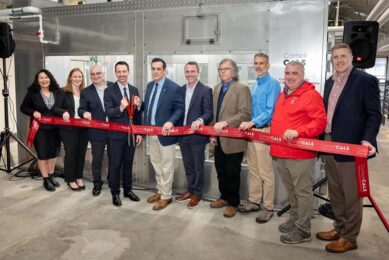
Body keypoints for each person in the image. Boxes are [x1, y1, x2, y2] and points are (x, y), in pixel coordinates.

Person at [316, 43, 381, 253]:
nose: (339, 60)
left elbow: (374, 115)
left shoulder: (365, 81)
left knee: (351, 195)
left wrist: (367, 140)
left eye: (343, 56)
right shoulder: (329, 82)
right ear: (331, 60)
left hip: (351, 147)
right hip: (329, 143)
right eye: (335, 57)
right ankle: (339, 228)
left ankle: (350, 237)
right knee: (335, 192)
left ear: (352, 58)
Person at [270, 61, 326, 244]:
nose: (290, 77)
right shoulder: (283, 93)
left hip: (299, 154)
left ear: (302, 75)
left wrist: (299, 132)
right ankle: (295, 219)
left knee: (302, 192)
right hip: (281, 152)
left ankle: (303, 230)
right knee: (292, 190)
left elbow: (319, 122)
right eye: (287, 73)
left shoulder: (311, 95)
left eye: (295, 73)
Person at [239, 53, 281, 223]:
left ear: (268, 65)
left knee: (265, 173)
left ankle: (268, 207)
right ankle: (254, 201)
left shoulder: (273, 84)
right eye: (256, 63)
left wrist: (252, 123)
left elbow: (270, 112)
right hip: (253, 132)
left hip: (263, 131)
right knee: (254, 170)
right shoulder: (256, 84)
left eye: (261, 63)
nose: (258, 66)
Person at [209, 58, 252, 218]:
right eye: (220, 69)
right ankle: (224, 197)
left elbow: (245, 113)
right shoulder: (217, 88)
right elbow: (215, 114)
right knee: (220, 170)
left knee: (232, 172)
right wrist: (213, 133)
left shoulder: (242, 89)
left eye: (226, 69)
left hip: (234, 140)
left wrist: (226, 122)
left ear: (233, 72)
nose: (222, 72)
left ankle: (233, 203)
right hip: (218, 138)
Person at [143, 57, 184, 211]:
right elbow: (149, 107)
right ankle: (160, 191)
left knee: (167, 166)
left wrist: (170, 122)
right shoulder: (149, 86)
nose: (155, 71)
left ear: (164, 70)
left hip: (166, 134)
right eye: (153, 69)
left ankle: (166, 196)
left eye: (158, 69)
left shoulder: (173, 87)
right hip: (151, 132)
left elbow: (180, 109)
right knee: (156, 163)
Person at [104, 61, 142, 207]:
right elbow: (108, 112)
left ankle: (128, 190)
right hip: (115, 136)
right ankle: (115, 193)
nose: (121, 74)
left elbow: (138, 114)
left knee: (128, 164)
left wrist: (139, 133)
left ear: (128, 72)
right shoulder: (109, 90)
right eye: (119, 72)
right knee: (115, 165)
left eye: (124, 71)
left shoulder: (134, 89)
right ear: (115, 73)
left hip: (131, 135)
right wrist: (120, 107)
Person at [175, 61, 213, 209]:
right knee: (188, 165)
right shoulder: (180, 90)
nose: (190, 74)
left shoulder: (205, 90)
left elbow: (209, 113)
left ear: (198, 72)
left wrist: (200, 120)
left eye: (192, 71)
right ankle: (190, 190)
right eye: (187, 71)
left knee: (198, 166)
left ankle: (198, 194)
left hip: (197, 136)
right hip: (182, 135)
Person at [20, 69, 61, 191]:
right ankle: (45, 179)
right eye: (41, 78)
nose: (44, 80)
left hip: (55, 128)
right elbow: (23, 107)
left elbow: (61, 106)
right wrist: (33, 112)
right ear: (37, 81)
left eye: (46, 77)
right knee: (43, 154)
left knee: (53, 153)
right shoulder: (32, 93)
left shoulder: (57, 92)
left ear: (50, 78)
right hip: (40, 129)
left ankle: (51, 175)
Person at [78, 65, 113, 196]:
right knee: (97, 159)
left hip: (114, 130)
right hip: (96, 132)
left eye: (98, 73)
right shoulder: (86, 92)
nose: (95, 76)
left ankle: (112, 181)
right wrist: (84, 113)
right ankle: (97, 184)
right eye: (92, 74)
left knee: (114, 158)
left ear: (103, 74)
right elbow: (81, 109)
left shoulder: (113, 87)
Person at [53, 68, 88, 191]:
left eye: (80, 76)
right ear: (70, 78)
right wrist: (64, 112)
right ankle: (70, 179)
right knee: (71, 154)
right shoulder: (63, 91)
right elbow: (55, 108)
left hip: (83, 128)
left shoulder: (84, 92)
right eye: (75, 76)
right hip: (69, 129)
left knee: (81, 154)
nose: (78, 79)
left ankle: (79, 177)